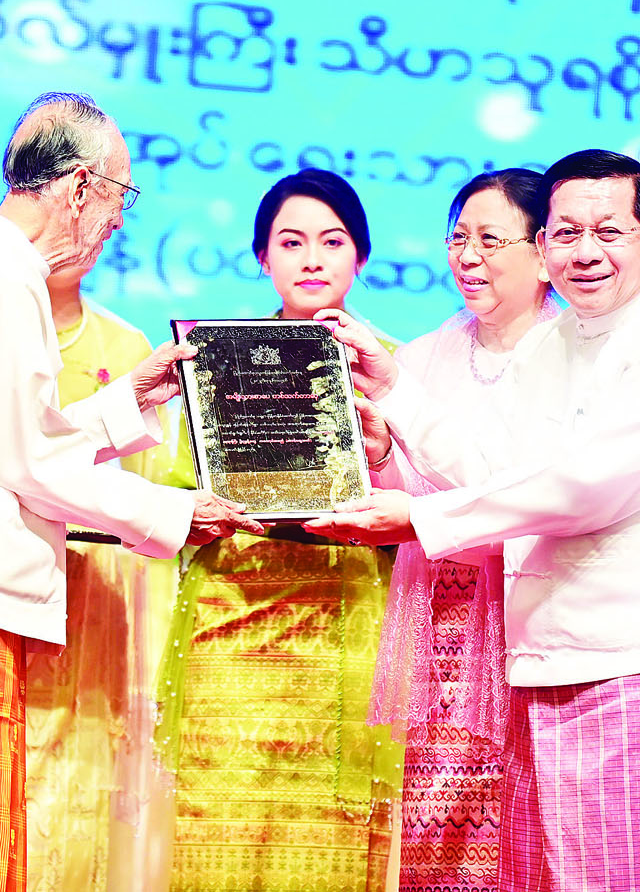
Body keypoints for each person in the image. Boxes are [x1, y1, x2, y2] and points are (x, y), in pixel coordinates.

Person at [0, 91, 260, 892]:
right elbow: (29, 460)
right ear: (79, 187)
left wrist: (130, 397)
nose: (120, 219)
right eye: (122, 195)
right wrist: (173, 511)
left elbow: (14, 437)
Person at [310, 149, 640, 892]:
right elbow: (492, 466)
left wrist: (420, 519)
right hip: (540, 664)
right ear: (545, 246)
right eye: (566, 232)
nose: (585, 251)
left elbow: (584, 489)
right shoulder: (552, 341)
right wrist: (393, 387)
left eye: (607, 232)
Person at [153, 168, 405, 891]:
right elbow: (176, 489)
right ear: (263, 257)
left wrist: (379, 457)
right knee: (219, 826)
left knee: (332, 839)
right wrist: (199, 513)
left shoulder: (395, 366)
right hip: (233, 620)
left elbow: (428, 502)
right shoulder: (215, 358)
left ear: (361, 255)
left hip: (345, 627)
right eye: (291, 243)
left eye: (333, 241)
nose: (312, 259)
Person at [366, 168, 559, 892]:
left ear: (543, 254)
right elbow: (407, 495)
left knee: (527, 820)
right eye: (458, 238)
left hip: (530, 612)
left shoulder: (569, 356)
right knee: (438, 825)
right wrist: (379, 455)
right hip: (442, 621)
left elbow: (520, 490)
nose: (468, 256)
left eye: (490, 240)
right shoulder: (423, 356)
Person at [25, 261, 196, 892]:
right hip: (6, 579)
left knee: (81, 770)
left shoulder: (125, 344)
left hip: (94, 593)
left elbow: (147, 496)